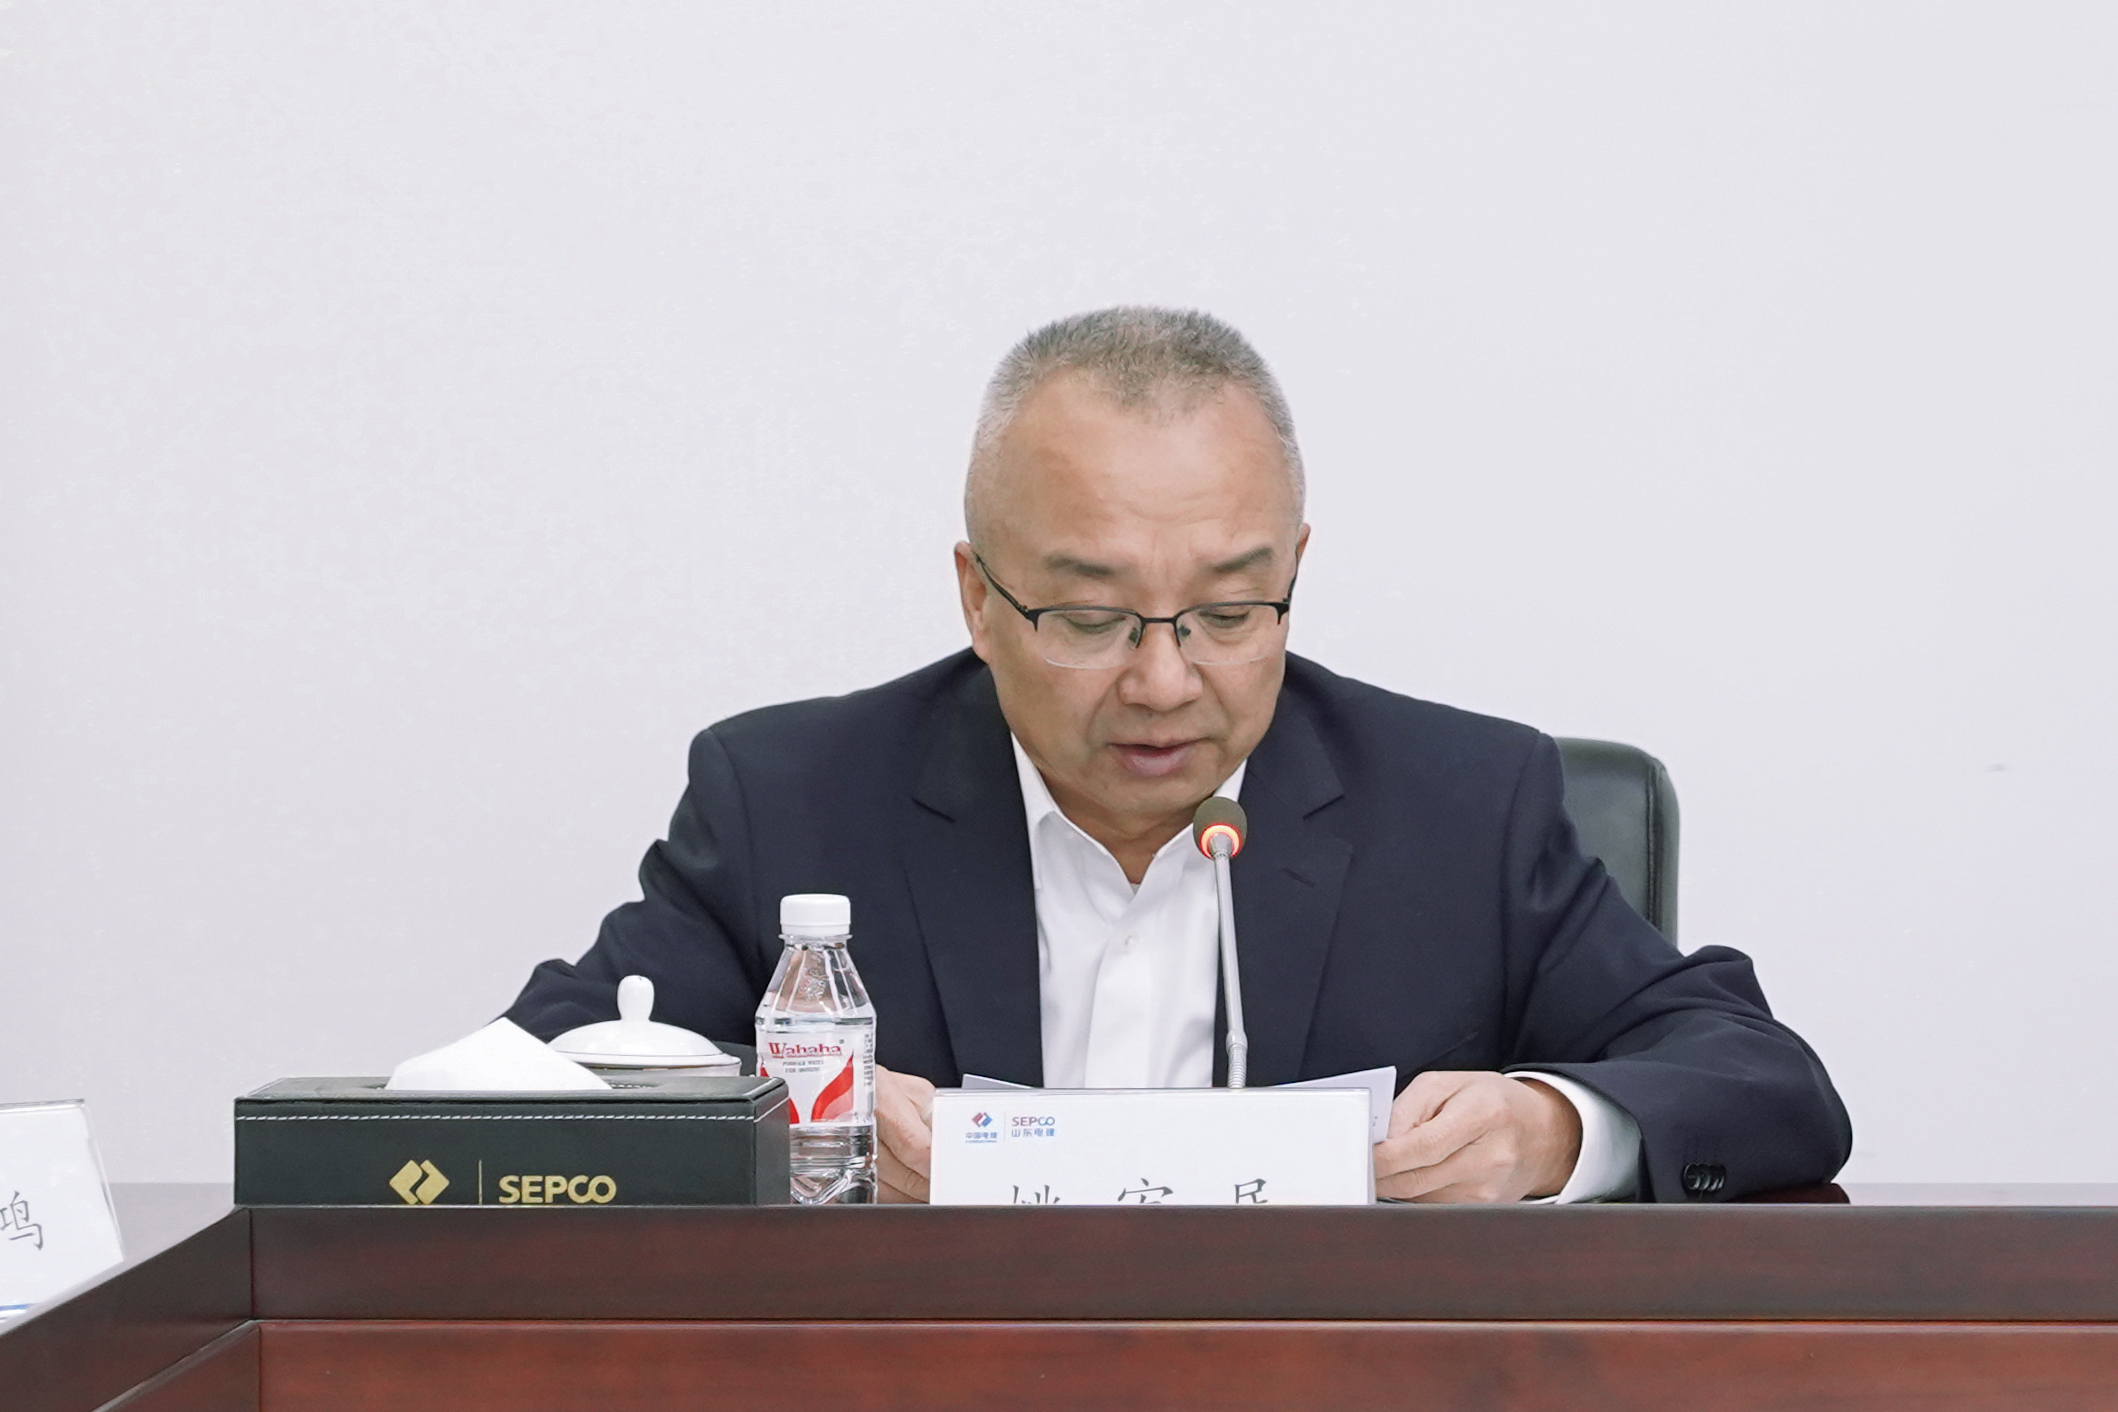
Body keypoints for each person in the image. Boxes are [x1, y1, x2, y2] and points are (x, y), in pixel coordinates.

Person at [506, 307, 1852, 1204]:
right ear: (979, 597)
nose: (1164, 682)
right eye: (1091, 618)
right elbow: (533, 1076)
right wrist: (804, 1123)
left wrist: (1552, 1128)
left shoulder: (1463, 807)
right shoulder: (791, 797)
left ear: (1294, 572)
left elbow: (1759, 1078)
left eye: (1228, 611)